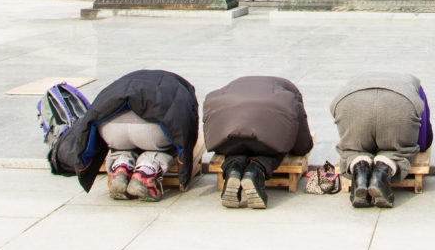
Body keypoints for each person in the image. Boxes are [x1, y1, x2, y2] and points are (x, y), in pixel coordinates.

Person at [51, 69, 199, 202]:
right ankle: (145, 172)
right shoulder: (180, 88)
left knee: (121, 144)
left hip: (110, 126)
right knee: (166, 144)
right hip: (151, 129)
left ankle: (121, 166)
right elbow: (184, 127)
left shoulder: (124, 81)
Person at [203, 75, 314, 209]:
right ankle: (255, 171)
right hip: (265, 141)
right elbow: (301, 143)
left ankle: (234, 169)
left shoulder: (229, 88)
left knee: (237, 145)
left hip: (228, 137)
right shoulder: (290, 96)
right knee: (275, 146)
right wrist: (301, 148)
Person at [331, 71, 433, 209]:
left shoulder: (352, 80)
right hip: (400, 104)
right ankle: (382, 172)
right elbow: (423, 137)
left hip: (351, 103)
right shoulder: (416, 85)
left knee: (353, 148)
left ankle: (359, 170)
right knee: (397, 151)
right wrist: (406, 145)